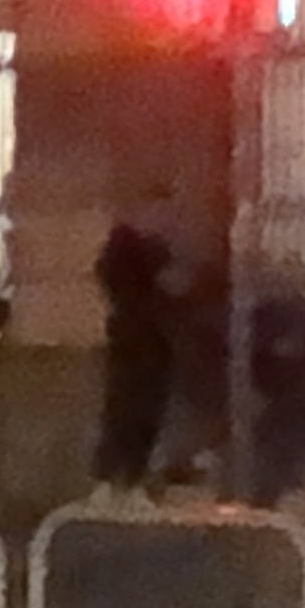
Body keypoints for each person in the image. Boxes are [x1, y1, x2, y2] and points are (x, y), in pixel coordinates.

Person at [95, 208, 191, 495]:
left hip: (135, 348)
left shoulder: (128, 296)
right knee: (136, 413)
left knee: (124, 412)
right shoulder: (146, 297)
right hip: (145, 351)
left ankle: (117, 478)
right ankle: (127, 477)